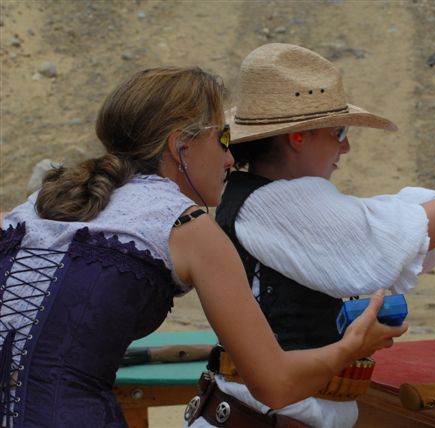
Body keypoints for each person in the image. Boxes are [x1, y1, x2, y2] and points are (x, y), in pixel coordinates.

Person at [0, 66, 407, 428]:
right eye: (223, 139)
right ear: (182, 146)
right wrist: (354, 345)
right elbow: (277, 385)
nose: (231, 159)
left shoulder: (34, 208)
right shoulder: (187, 226)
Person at [187, 43, 435, 428]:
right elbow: (377, 242)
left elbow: (383, 218)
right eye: (338, 131)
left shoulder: (270, 197)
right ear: (298, 137)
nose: (345, 146)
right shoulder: (272, 202)